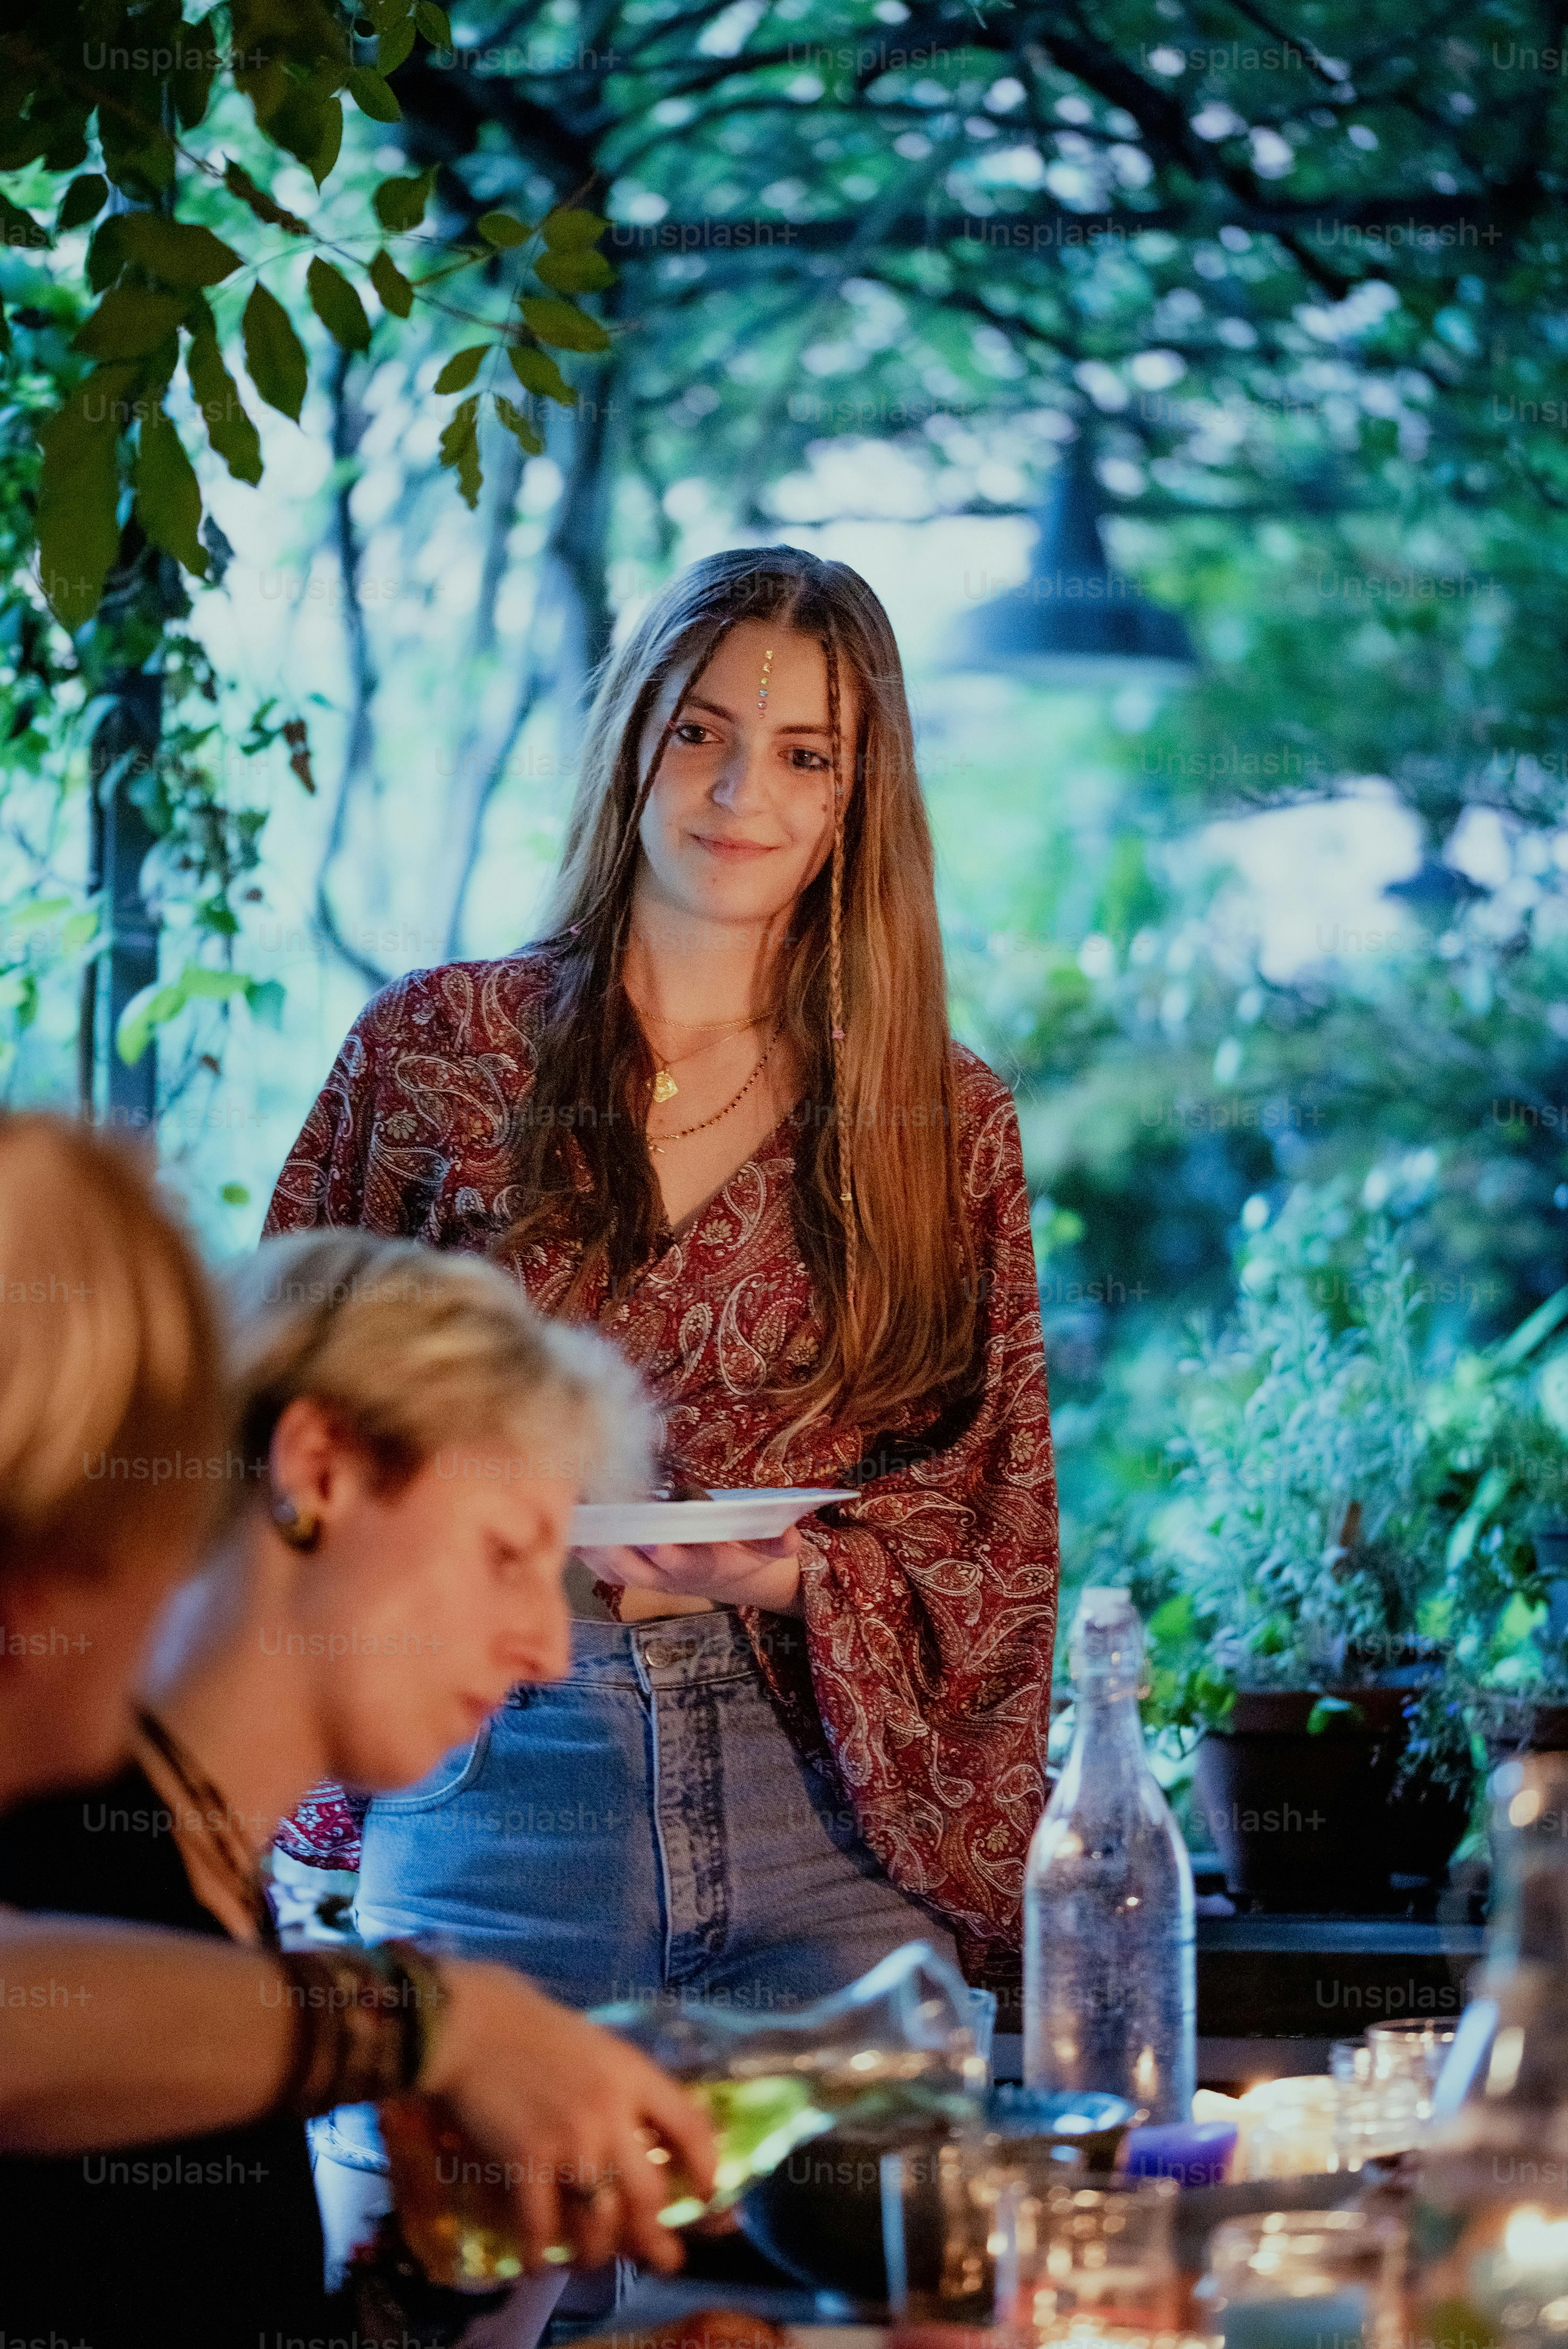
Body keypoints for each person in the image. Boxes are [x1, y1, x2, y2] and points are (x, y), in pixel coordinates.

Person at [264, 544, 1059, 2013]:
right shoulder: (436, 1052)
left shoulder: (942, 1121)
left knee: (873, 2243)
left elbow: (991, 1519)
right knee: (468, 2243)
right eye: (700, 730)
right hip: (490, 1771)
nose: (739, 792)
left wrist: (782, 1571)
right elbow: (275, 1422)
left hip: (818, 1804)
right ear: (631, 733)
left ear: (854, 799)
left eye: (803, 754)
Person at [0, 1123, 715, 2346]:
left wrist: (458, 2268)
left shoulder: (216, 1887)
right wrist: (440, 2022)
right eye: (503, 1556)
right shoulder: (70, 1849)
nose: (549, 1647)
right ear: (318, 1469)